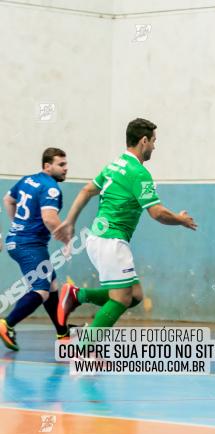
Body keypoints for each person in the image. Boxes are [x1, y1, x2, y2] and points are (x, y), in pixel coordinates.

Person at [53, 118, 197, 329]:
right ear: (144, 141)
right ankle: (85, 348)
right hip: (112, 241)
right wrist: (180, 219)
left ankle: (76, 295)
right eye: (154, 141)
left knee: (135, 295)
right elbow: (157, 213)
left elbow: (86, 190)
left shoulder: (114, 165)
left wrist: (70, 221)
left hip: (96, 238)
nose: (155, 146)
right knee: (121, 299)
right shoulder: (139, 173)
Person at [0, 148, 73, 350]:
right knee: (41, 289)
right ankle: (7, 323)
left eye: (66, 164)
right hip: (29, 245)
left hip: (18, 240)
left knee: (52, 286)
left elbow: (8, 200)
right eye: (61, 165)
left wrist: (16, 224)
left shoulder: (27, 180)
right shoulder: (50, 188)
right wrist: (67, 240)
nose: (66, 168)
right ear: (47, 166)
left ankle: (63, 334)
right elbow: (49, 218)